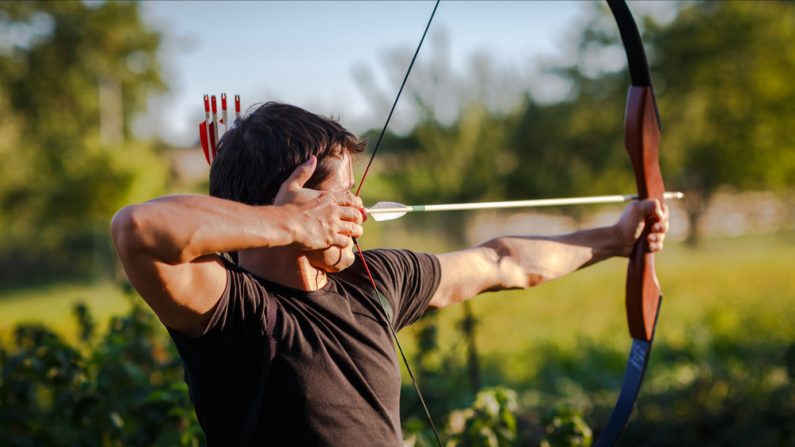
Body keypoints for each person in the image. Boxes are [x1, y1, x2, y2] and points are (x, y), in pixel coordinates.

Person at [111, 102, 669, 446]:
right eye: (343, 196)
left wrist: (617, 239)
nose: (360, 210)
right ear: (299, 206)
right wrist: (288, 225)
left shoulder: (374, 280)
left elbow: (504, 261)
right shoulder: (233, 310)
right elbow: (138, 228)